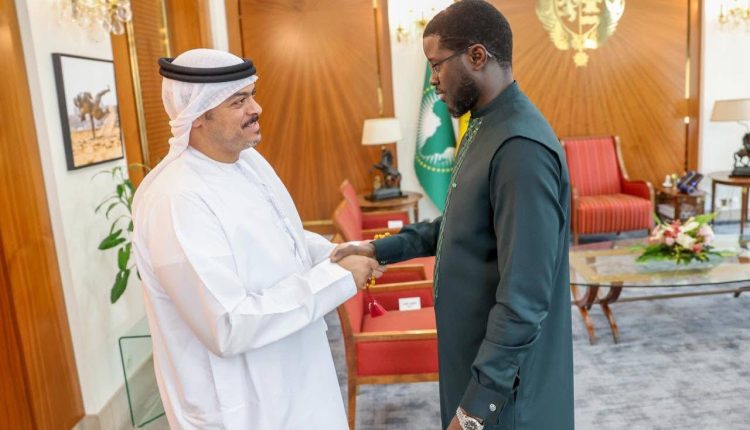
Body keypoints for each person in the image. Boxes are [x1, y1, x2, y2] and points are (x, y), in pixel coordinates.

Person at [331, 1, 574, 429]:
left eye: (436, 64)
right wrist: (378, 248)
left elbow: (524, 300)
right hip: (473, 354)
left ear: (477, 56)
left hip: (510, 393)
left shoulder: (520, 149)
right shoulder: (485, 124)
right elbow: (462, 223)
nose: (433, 79)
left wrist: (476, 408)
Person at [131, 48, 383, 429]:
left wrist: (336, 252)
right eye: (239, 101)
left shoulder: (247, 161)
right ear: (197, 117)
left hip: (296, 378)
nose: (256, 108)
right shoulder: (177, 199)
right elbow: (228, 323)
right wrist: (337, 277)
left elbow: (280, 237)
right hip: (246, 407)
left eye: (251, 95)